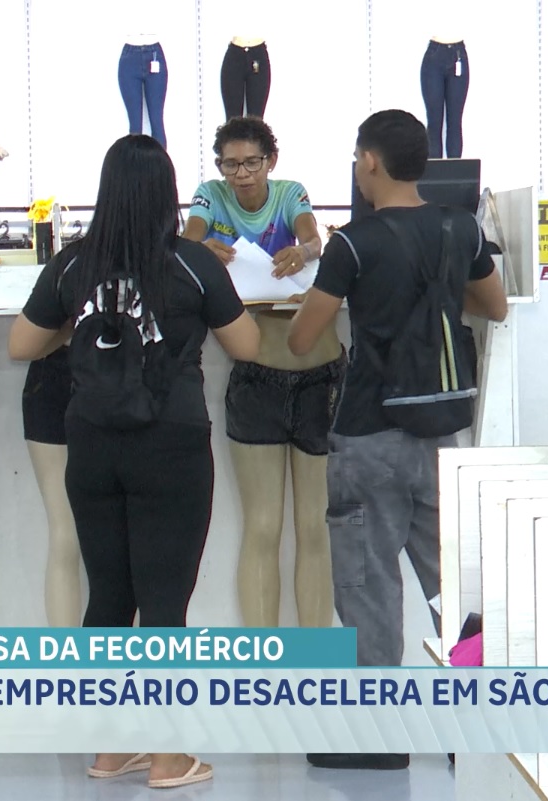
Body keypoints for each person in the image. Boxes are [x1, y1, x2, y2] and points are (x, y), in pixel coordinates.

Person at [9, 134, 259, 789]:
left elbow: (21, 343)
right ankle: (170, 754)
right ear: (166, 195)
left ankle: (110, 746)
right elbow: (247, 344)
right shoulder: (191, 263)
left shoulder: (72, 264)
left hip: (92, 445)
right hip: (171, 445)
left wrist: (83, 326)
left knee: (109, 596)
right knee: (164, 602)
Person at [288, 109, 507, 772]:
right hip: (441, 434)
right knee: (453, 583)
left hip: (368, 434)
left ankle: (379, 738)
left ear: (370, 161)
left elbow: (301, 338)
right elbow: (494, 306)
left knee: (368, 585)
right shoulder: (460, 227)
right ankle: (477, 728)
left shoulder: (353, 245)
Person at [181, 116, 340, 629]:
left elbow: (312, 236)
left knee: (316, 527)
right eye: (231, 165)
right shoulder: (210, 195)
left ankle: (316, 662)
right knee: (263, 526)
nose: (242, 174)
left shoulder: (290, 192)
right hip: (256, 374)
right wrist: (200, 249)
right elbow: (188, 238)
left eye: (252, 162)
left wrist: (305, 250)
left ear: (271, 161)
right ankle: (263, 663)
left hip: (319, 376)